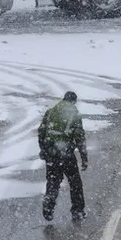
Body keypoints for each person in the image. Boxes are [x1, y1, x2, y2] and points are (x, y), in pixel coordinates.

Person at [37, 91, 88, 221]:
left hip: (51, 154)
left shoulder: (51, 112)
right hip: (66, 154)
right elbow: (80, 138)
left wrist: (43, 149)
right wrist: (84, 157)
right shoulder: (74, 114)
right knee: (75, 183)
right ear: (74, 101)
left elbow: (41, 132)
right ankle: (77, 211)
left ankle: (49, 203)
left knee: (53, 181)